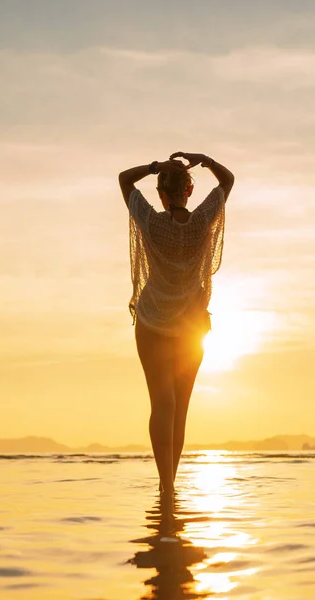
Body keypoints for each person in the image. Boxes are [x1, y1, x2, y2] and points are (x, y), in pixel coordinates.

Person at [118, 152, 234, 511]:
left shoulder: (152, 223)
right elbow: (227, 181)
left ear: (161, 193)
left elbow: (124, 179)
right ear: (189, 190)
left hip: (153, 323)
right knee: (179, 407)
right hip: (191, 327)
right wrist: (206, 160)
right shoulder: (201, 221)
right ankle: (169, 486)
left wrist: (155, 167)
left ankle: (166, 487)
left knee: (163, 404)